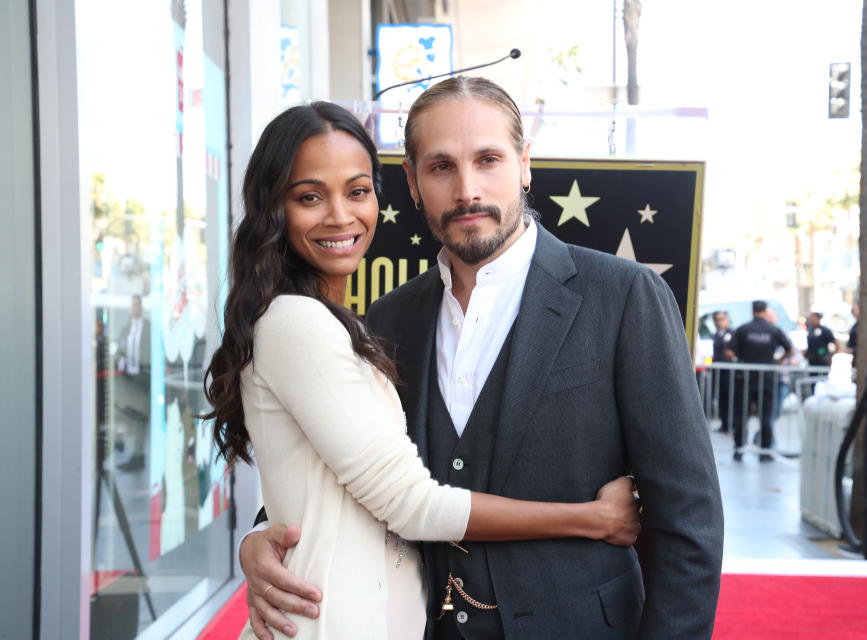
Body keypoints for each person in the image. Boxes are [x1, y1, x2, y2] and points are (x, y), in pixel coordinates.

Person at [240, 78, 724, 640]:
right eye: (442, 167)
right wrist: (259, 539)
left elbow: (688, 517)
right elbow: (340, 469)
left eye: (488, 159)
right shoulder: (390, 319)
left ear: (524, 164)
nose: (468, 189)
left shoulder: (624, 296)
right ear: (413, 184)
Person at [726, 300, 793, 462]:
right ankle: (764, 451)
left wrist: (740, 361)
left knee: (742, 414)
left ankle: (739, 449)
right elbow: (790, 350)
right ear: (765, 311)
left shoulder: (743, 329)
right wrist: (778, 361)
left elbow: (728, 352)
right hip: (767, 378)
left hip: (746, 378)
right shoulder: (773, 330)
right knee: (766, 415)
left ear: (753, 311)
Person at [114, 294, 151, 471]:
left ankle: (138, 456)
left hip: (145, 377)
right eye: (132, 305)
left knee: (141, 417)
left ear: (141, 307)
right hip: (129, 379)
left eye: (137, 304)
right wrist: (121, 364)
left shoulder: (149, 328)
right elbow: (119, 352)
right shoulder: (125, 330)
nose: (134, 308)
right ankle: (120, 444)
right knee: (124, 412)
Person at [711, 310, 734, 433]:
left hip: (728, 371)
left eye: (721, 319)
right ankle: (724, 423)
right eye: (716, 320)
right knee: (721, 398)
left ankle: (730, 424)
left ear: (727, 319)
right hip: (718, 371)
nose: (718, 322)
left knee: (729, 398)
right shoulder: (716, 335)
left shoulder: (731, 334)